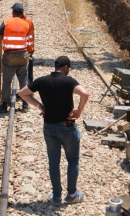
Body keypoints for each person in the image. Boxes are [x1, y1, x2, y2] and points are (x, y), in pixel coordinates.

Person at [18, 56, 89, 206]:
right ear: (65, 67)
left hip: (49, 127)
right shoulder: (68, 81)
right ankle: (71, 194)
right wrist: (78, 111)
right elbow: (84, 93)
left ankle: (56, 196)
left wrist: (40, 106)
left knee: (54, 162)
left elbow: (22, 93)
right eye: (68, 69)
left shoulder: (42, 81)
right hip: (67, 127)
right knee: (73, 160)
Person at [0, 3, 33, 113]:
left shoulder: (6, 22)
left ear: (13, 12)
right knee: (23, 80)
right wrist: (28, 53)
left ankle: (4, 105)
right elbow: (29, 41)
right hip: (22, 55)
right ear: (22, 13)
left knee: (7, 81)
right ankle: (25, 104)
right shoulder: (26, 24)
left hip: (9, 56)